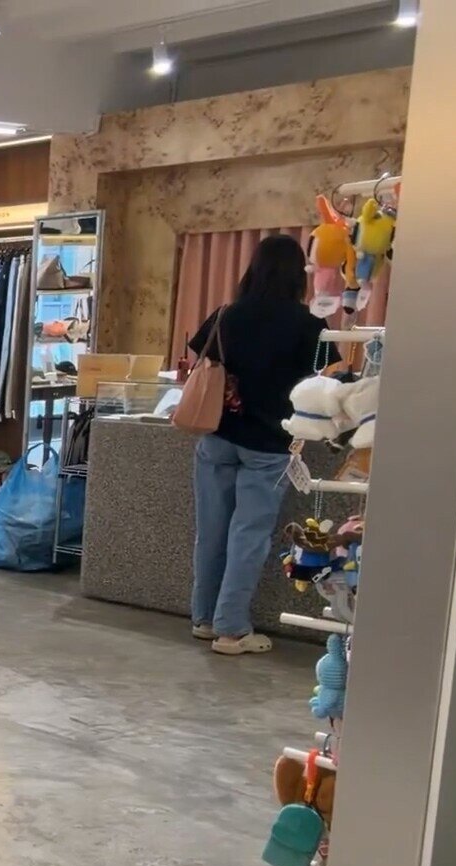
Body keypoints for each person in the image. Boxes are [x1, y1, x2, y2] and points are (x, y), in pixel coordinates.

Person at [186, 234, 337, 656]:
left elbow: (200, 359)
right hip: (270, 443)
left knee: (211, 532)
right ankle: (231, 630)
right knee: (248, 536)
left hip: (218, 434)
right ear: (298, 274)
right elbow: (324, 383)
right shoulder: (310, 325)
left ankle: (204, 618)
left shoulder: (227, 315)